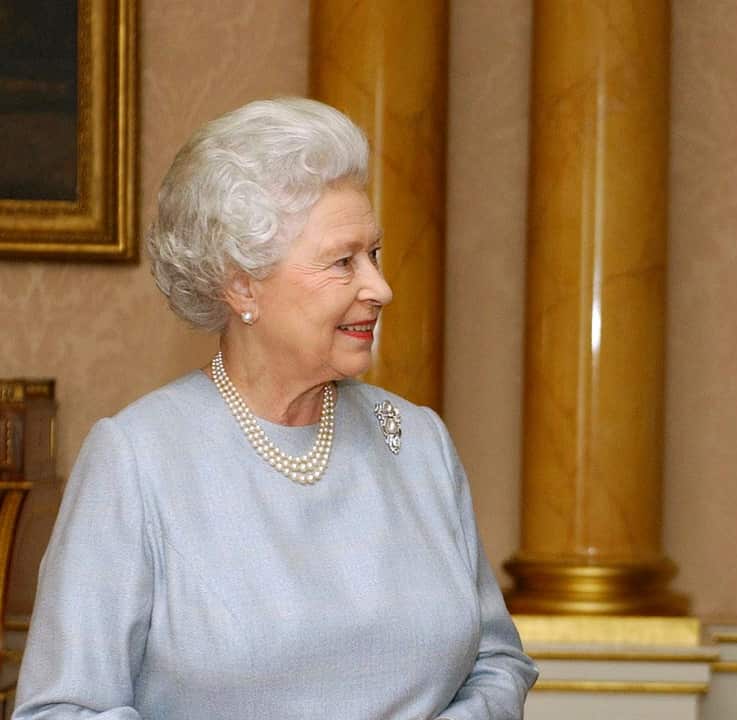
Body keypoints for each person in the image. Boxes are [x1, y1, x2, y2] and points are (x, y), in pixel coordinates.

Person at [15, 98, 537, 719]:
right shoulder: (138, 459)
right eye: (343, 261)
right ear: (242, 285)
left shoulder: (417, 441)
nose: (379, 287)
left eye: (374, 254)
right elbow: (62, 709)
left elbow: (499, 662)